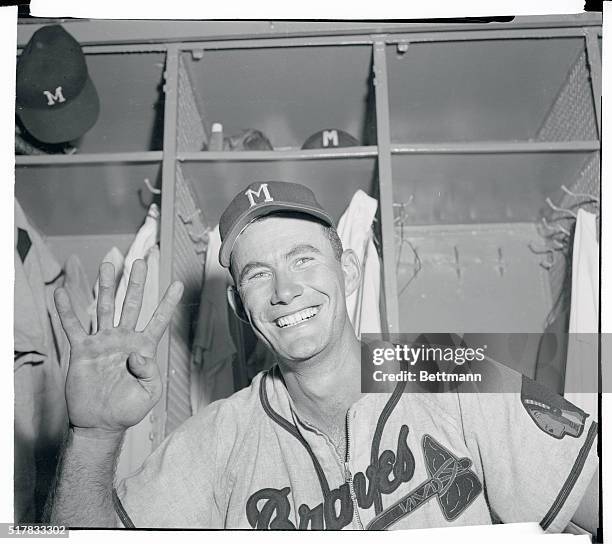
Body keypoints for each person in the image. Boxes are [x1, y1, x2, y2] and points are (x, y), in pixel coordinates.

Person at [47, 182, 599, 532]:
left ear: (350, 273)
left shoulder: (449, 367)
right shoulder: (213, 440)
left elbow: (596, 498)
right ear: (241, 306)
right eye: (258, 274)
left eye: (303, 259)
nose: (284, 290)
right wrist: (93, 438)